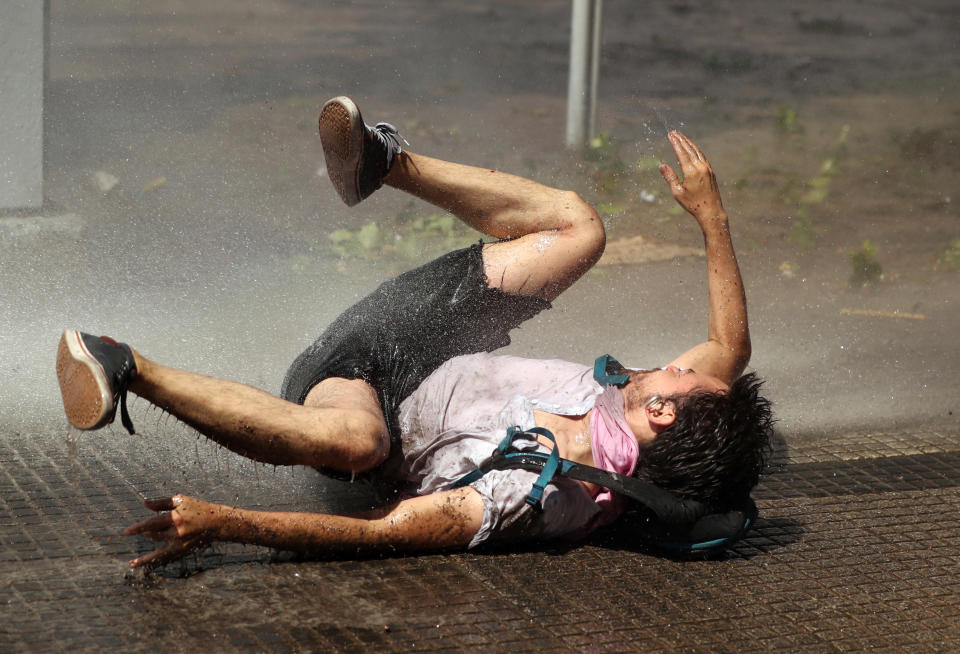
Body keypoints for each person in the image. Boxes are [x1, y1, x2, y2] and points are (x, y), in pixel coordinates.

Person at [56, 96, 772, 569]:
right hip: (422, 332)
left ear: (664, 411)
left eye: (686, 377)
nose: (689, 362)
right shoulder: (646, 406)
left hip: (355, 392)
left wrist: (227, 522)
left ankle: (123, 367)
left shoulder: (535, 500)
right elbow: (729, 349)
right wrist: (712, 219)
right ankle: (383, 161)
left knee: (353, 443)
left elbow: (382, 534)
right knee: (580, 227)